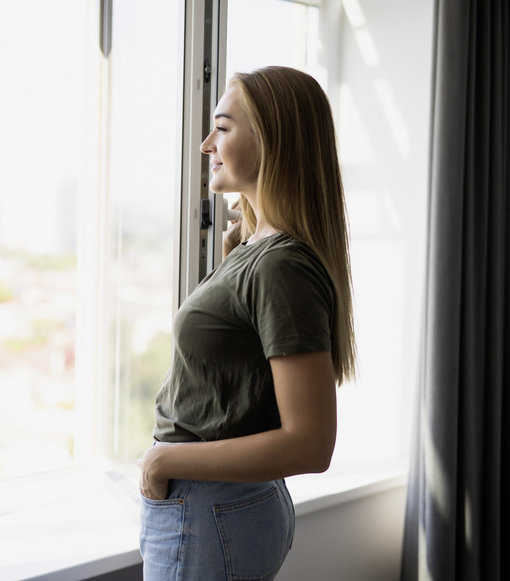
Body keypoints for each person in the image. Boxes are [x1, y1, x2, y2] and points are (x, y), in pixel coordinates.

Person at [138, 66, 356, 580]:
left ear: (271, 140)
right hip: (219, 506)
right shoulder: (262, 251)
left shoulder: (281, 265)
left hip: (207, 507)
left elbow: (310, 443)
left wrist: (161, 462)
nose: (205, 144)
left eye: (222, 127)